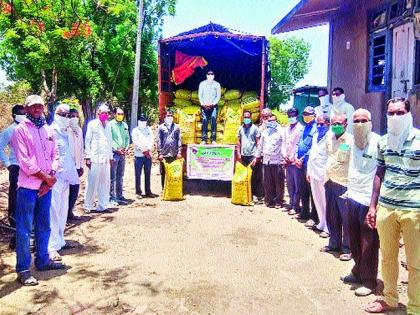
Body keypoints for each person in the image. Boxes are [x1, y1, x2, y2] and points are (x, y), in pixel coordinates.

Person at [365, 98, 419, 315]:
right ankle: (390, 299)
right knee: (387, 257)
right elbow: (379, 173)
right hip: (386, 208)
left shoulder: (418, 140)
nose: (395, 117)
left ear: (408, 113)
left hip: (414, 209)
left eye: (399, 112)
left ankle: (415, 307)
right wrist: (372, 206)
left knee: (416, 262)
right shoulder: (384, 141)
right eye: (391, 113)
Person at [11, 95, 65, 286]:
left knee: (44, 225)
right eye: (33, 106)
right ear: (26, 108)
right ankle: (23, 269)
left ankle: (42, 260)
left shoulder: (48, 129)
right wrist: (46, 178)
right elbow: (26, 163)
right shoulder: (20, 131)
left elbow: (55, 154)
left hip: (46, 187)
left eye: (40, 106)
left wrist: (50, 178)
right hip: (27, 188)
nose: (37, 109)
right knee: (25, 230)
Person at [341, 109, 380, 297]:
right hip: (352, 196)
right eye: (356, 120)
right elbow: (341, 158)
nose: (359, 124)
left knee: (369, 242)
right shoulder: (349, 141)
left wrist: (374, 204)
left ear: (371, 122)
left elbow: (381, 173)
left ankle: (369, 280)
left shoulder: (378, 142)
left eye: (364, 120)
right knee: (354, 238)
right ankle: (357, 271)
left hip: (368, 199)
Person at [48, 104, 79, 262]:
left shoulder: (66, 132)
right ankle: (51, 247)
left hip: (66, 178)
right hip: (54, 179)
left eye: (68, 115)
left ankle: (60, 241)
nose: (67, 118)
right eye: (64, 115)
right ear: (56, 115)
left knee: (62, 211)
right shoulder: (50, 131)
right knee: (53, 212)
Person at [321, 114, 353, 261]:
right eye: (333, 124)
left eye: (339, 123)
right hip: (329, 180)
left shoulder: (350, 140)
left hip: (343, 183)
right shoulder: (329, 138)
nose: (336, 126)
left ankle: (347, 248)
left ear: (345, 124)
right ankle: (334, 244)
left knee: (345, 217)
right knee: (332, 214)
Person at [0, 104, 25, 242]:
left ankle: (27, 221)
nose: (23, 115)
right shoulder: (9, 130)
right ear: (14, 115)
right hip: (15, 166)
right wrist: (8, 164)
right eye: (20, 113)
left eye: (24, 112)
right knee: (14, 195)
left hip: (28, 168)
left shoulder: (28, 128)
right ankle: (13, 222)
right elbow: (0, 147)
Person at [84, 104, 113, 213]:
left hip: (105, 158)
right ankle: (88, 205)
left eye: (107, 113)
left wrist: (110, 156)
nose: (105, 115)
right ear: (98, 113)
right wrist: (87, 156)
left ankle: (103, 205)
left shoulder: (109, 125)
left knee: (105, 182)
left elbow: (109, 141)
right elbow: (87, 141)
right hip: (95, 157)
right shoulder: (92, 124)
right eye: (103, 113)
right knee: (92, 182)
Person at [293, 106, 318, 227]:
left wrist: (302, 159)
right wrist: (296, 157)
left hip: (309, 164)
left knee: (311, 190)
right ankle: (304, 212)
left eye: (308, 114)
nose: (306, 116)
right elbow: (298, 144)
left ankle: (314, 216)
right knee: (302, 189)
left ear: (314, 115)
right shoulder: (303, 128)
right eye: (304, 114)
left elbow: (314, 147)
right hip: (299, 163)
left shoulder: (317, 129)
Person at [307, 114, 330, 238]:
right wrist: (308, 172)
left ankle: (328, 227)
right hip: (314, 173)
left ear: (328, 124)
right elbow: (312, 155)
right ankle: (321, 222)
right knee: (317, 199)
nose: (320, 126)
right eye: (318, 124)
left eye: (322, 124)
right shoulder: (315, 136)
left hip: (324, 175)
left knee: (326, 201)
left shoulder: (330, 137)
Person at [257, 115, 285, 208]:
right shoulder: (265, 132)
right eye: (269, 120)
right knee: (267, 182)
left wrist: (283, 158)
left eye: (273, 120)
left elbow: (284, 146)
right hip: (266, 161)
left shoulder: (281, 132)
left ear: (276, 121)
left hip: (277, 161)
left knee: (278, 183)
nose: (271, 122)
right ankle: (269, 200)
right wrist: (257, 157)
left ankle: (279, 201)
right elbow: (260, 146)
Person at [236, 110, 263, 204]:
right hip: (243, 156)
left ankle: (254, 195)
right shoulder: (240, 128)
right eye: (245, 117)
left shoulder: (255, 129)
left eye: (248, 117)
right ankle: (246, 194)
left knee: (254, 177)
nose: (246, 119)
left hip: (252, 156)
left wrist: (256, 156)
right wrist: (238, 153)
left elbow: (258, 143)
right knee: (244, 176)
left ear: (251, 118)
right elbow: (238, 142)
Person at [132, 114, 157, 198]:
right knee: (138, 174)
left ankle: (148, 191)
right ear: (138, 121)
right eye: (141, 120)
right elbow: (135, 142)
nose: (143, 122)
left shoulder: (149, 129)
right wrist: (144, 150)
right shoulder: (135, 130)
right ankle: (138, 192)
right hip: (138, 155)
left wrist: (148, 149)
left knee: (148, 173)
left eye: (144, 120)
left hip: (148, 156)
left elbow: (152, 140)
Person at [284, 107, 303, 214]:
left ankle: (296, 206)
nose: (291, 117)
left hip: (295, 162)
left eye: (293, 115)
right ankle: (291, 204)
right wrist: (284, 156)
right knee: (290, 184)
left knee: (297, 186)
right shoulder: (286, 129)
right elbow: (284, 143)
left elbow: (298, 145)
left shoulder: (301, 128)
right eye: (289, 115)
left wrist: (291, 158)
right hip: (287, 161)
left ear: (297, 115)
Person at [157, 110, 182, 188]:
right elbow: (159, 141)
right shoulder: (161, 127)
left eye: (171, 116)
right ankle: (164, 189)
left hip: (174, 153)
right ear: (165, 117)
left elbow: (179, 140)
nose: (170, 117)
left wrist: (179, 152)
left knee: (173, 172)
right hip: (164, 153)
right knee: (164, 172)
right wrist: (160, 153)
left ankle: (172, 190)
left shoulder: (177, 127)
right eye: (168, 115)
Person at [110, 107, 130, 205]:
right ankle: (112, 197)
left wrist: (125, 148)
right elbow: (109, 139)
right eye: (119, 114)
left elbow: (127, 138)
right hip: (114, 154)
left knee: (120, 176)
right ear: (114, 114)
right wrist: (116, 149)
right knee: (112, 176)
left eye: (122, 114)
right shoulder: (110, 125)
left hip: (122, 154)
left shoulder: (125, 125)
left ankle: (119, 195)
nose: (120, 116)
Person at [67, 107, 84, 221]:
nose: (74, 118)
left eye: (76, 116)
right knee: (64, 190)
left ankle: (69, 211)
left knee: (75, 188)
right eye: (72, 116)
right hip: (66, 165)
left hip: (76, 165)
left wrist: (81, 165)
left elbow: (81, 148)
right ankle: (64, 213)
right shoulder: (64, 129)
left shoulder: (79, 129)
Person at [198, 70, 221, 144]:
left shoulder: (217, 84)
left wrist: (213, 104)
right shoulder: (202, 84)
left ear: (214, 75)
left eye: (212, 74)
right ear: (206, 75)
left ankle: (213, 139)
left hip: (213, 106)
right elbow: (200, 95)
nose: (210, 75)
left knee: (213, 120)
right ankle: (204, 139)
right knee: (204, 121)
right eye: (209, 74)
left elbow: (218, 96)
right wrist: (203, 104)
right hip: (204, 106)